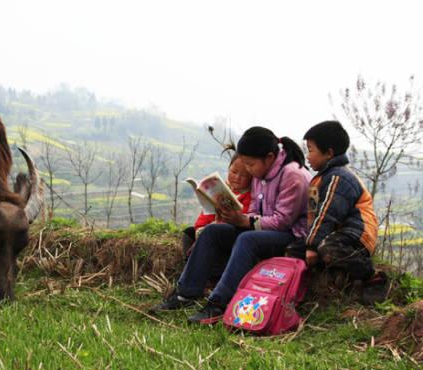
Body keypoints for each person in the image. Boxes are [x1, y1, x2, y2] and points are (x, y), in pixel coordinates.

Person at [151, 126, 312, 324]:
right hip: (264, 229)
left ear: (269, 157)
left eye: (250, 164)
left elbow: (283, 221)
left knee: (247, 239)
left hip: (291, 236)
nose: (249, 169)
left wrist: (245, 221)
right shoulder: (261, 174)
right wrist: (236, 217)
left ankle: (219, 302)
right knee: (213, 231)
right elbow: (254, 209)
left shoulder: (292, 175)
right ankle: (186, 293)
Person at [285, 120, 386, 304]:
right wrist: (307, 245)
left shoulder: (339, 177)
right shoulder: (322, 178)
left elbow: (327, 215)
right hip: (333, 234)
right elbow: (314, 217)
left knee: (327, 248)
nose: (308, 156)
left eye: (311, 150)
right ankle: (305, 288)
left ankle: (372, 276)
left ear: (329, 153)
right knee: (292, 249)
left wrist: (312, 245)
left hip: (356, 234)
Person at [182, 149, 252, 258]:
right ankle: (189, 264)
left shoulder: (250, 196)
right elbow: (206, 214)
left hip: (229, 233)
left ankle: (205, 269)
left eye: (244, 176)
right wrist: (201, 229)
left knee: (211, 233)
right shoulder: (220, 190)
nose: (237, 178)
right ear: (228, 169)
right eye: (234, 172)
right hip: (210, 228)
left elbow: (244, 219)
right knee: (188, 233)